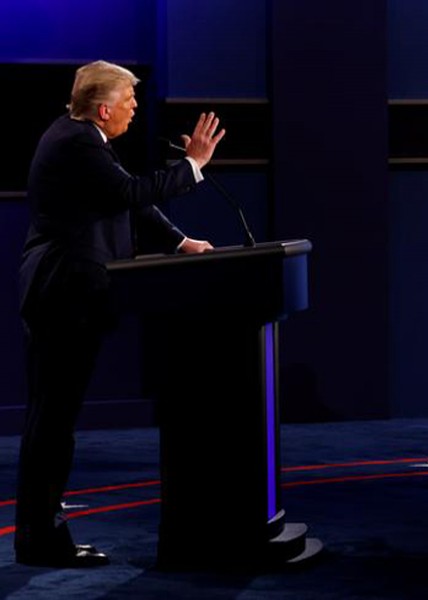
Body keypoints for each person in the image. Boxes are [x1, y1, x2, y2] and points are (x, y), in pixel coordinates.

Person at [15, 60, 225, 567]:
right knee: (53, 420)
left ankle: (39, 535)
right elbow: (130, 193)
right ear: (104, 108)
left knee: (53, 418)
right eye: (129, 101)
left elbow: (126, 201)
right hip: (63, 292)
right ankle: (41, 539)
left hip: (63, 292)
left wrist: (180, 242)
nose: (134, 108)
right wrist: (193, 165)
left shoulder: (81, 138)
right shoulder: (78, 142)